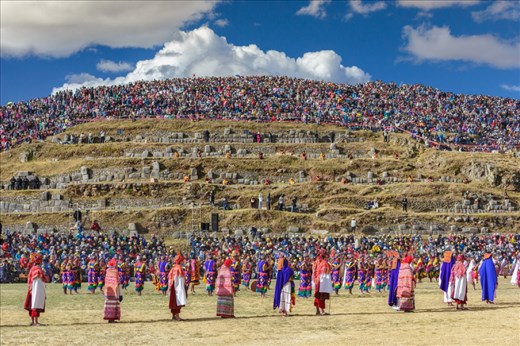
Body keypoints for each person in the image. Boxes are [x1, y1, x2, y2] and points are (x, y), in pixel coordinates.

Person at [24, 254, 46, 326]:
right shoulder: (37, 269)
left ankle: (33, 321)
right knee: (35, 303)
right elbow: (39, 276)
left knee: (32, 304)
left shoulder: (32, 268)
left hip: (33, 288)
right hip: (36, 288)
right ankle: (35, 322)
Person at [168, 253, 187, 321]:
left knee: (174, 301)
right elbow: (179, 279)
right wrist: (182, 287)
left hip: (173, 287)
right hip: (177, 287)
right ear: (180, 261)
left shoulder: (174, 267)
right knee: (177, 301)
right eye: (182, 261)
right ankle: (177, 316)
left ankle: (174, 315)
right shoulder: (179, 268)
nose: (183, 262)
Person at [103, 258, 122, 323]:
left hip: (108, 291)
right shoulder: (115, 271)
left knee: (109, 305)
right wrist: (120, 294)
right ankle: (112, 319)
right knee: (113, 305)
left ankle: (109, 318)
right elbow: (117, 282)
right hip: (114, 291)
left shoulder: (107, 271)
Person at [312, 249, 332, 316]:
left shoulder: (316, 262)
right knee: (321, 295)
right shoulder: (324, 263)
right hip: (322, 281)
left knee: (317, 295)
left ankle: (317, 310)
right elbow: (327, 271)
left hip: (317, 280)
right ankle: (321, 310)